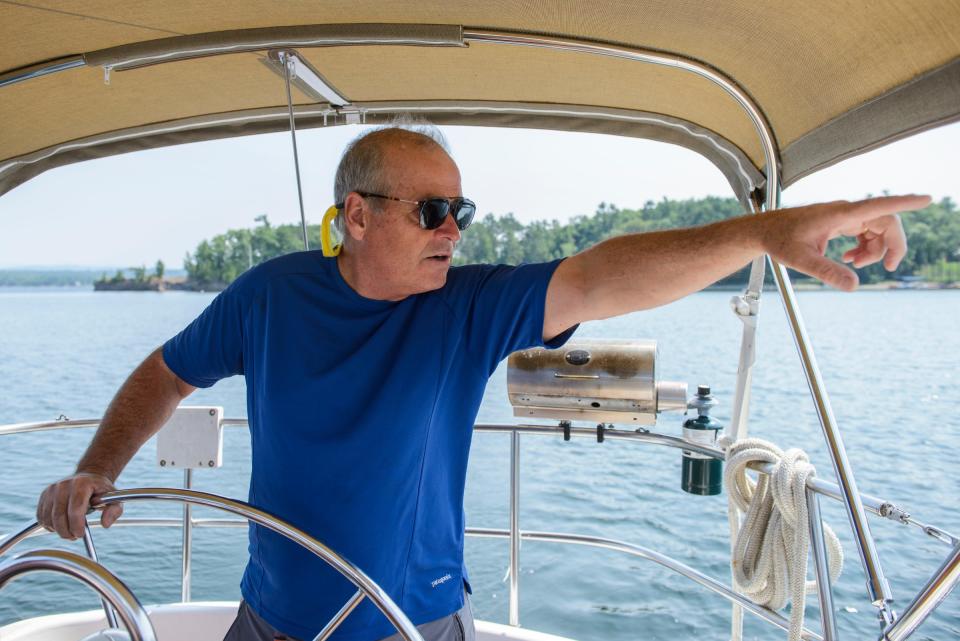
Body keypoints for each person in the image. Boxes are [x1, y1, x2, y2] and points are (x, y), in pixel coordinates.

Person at [35, 125, 929, 641]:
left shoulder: (466, 306)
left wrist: (760, 236)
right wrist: (97, 467)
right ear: (355, 215)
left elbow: (601, 276)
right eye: (433, 211)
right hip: (267, 621)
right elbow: (166, 371)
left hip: (415, 624)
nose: (454, 231)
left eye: (462, 211)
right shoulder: (269, 296)